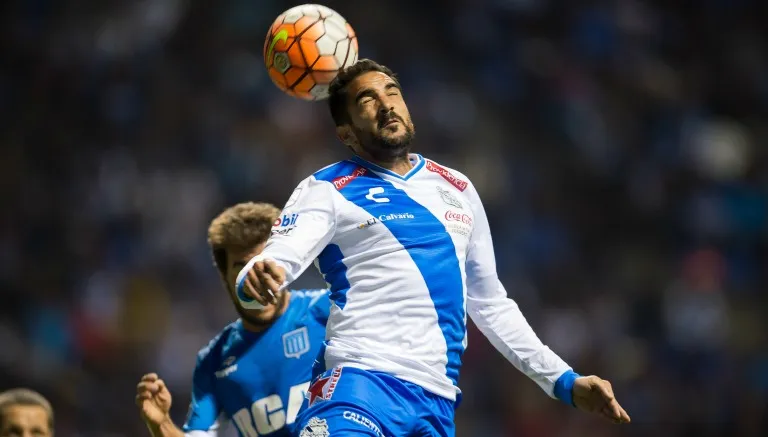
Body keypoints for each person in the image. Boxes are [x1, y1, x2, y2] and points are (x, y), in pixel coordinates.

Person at [236, 59, 631, 437]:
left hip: (436, 405)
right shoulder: (327, 188)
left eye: (392, 92)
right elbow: (273, 264)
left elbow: (490, 303)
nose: (386, 104)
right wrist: (255, 281)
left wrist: (563, 380)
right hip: (357, 387)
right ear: (346, 134)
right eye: (367, 100)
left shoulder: (456, 187)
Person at [135, 202, 330, 437]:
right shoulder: (214, 362)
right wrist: (161, 424)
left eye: (264, 264)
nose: (255, 280)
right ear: (225, 277)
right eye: (242, 269)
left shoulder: (328, 311)